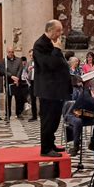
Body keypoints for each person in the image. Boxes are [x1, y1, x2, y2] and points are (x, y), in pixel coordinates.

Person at [33, 20, 72, 157]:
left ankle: (51, 144)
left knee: (55, 119)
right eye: (58, 31)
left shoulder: (53, 43)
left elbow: (60, 64)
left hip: (56, 90)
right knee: (48, 119)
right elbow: (48, 64)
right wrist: (56, 50)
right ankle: (45, 149)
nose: (61, 34)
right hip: (48, 90)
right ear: (50, 30)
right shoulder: (40, 44)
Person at [67, 79, 94, 156]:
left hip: (87, 116)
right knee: (78, 121)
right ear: (92, 89)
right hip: (73, 115)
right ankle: (75, 147)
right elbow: (92, 101)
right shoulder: (85, 94)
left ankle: (93, 143)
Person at [3, 47, 23, 119]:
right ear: (7, 52)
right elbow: (4, 70)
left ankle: (19, 113)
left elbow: (20, 69)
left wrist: (17, 78)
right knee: (8, 99)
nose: (11, 53)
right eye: (9, 52)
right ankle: (7, 114)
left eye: (12, 52)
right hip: (8, 81)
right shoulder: (4, 60)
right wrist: (11, 76)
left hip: (17, 82)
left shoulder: (18, 60)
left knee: (18, 98)